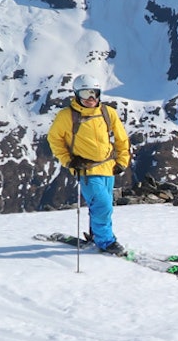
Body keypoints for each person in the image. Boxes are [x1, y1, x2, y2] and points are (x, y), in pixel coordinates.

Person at [47, 74, 132, 255]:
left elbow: (121, 138)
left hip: (108, 167)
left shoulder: (108, 113)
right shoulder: (66, 116)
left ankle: (96, 234)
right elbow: (54, 139)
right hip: (86, 169)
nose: (91, 98)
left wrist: (122, 161)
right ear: (77, 94)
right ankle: (106, 242)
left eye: (94, 93)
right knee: (103, 205)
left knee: (105, 203)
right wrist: (69, 161)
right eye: (86, 94)